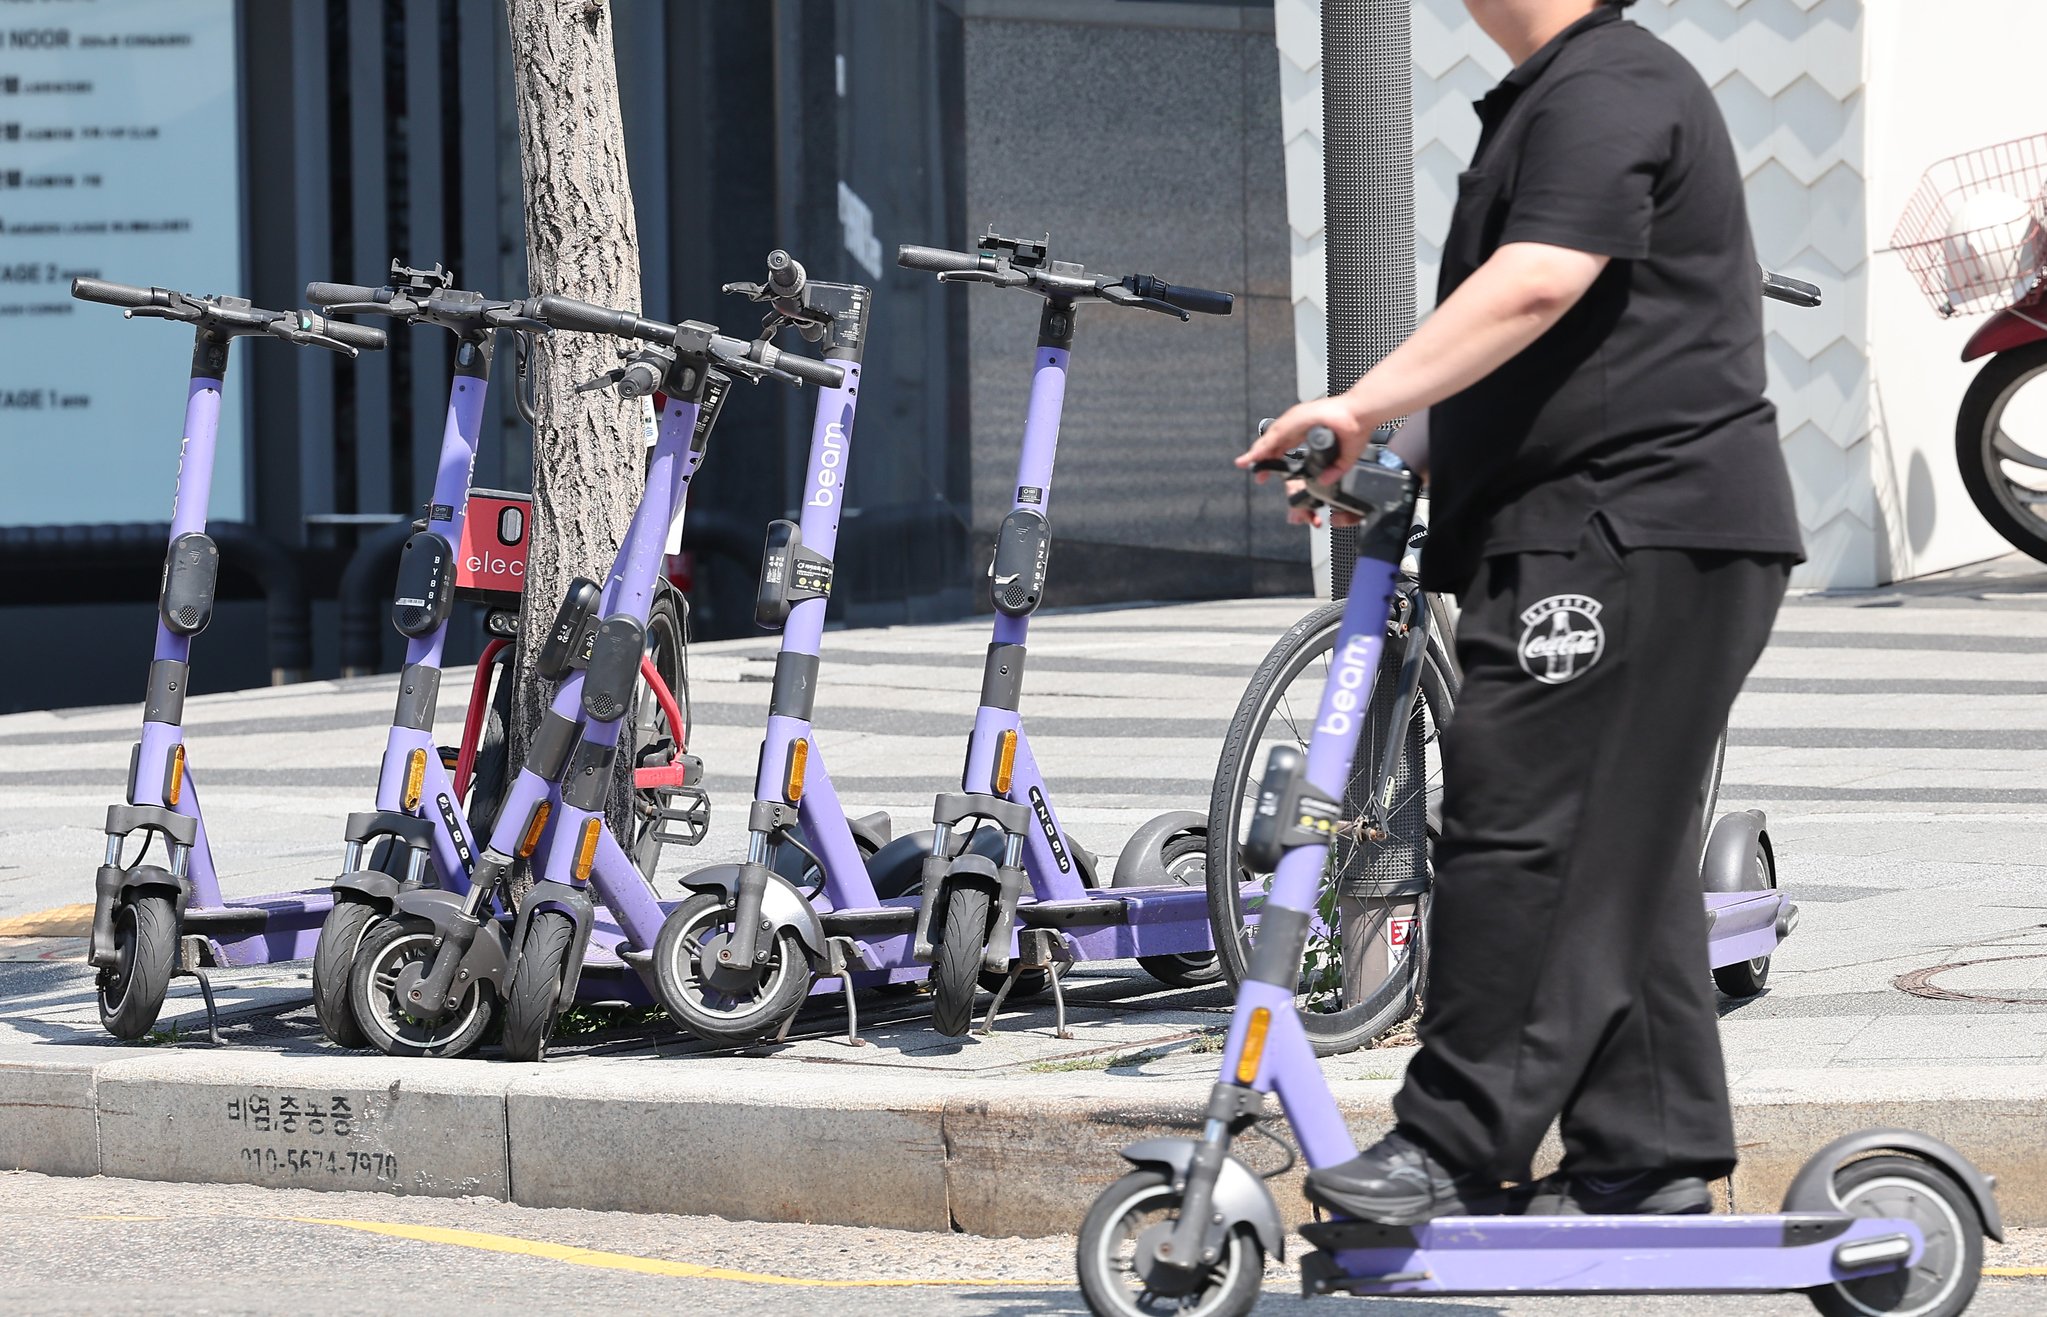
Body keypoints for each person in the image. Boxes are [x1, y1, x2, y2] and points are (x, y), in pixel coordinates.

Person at [1238, 0, 1805, 1221]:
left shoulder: (1607, 85)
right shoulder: (1561, 94)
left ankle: (1451, 1143)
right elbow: (1541, 348)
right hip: (1615, 531)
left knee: (1525, 827)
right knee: (1614, 845)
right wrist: (1394, 444)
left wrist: (1356, 402)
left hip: (1627, 532)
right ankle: (1643, 1155)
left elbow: (1536, 287)